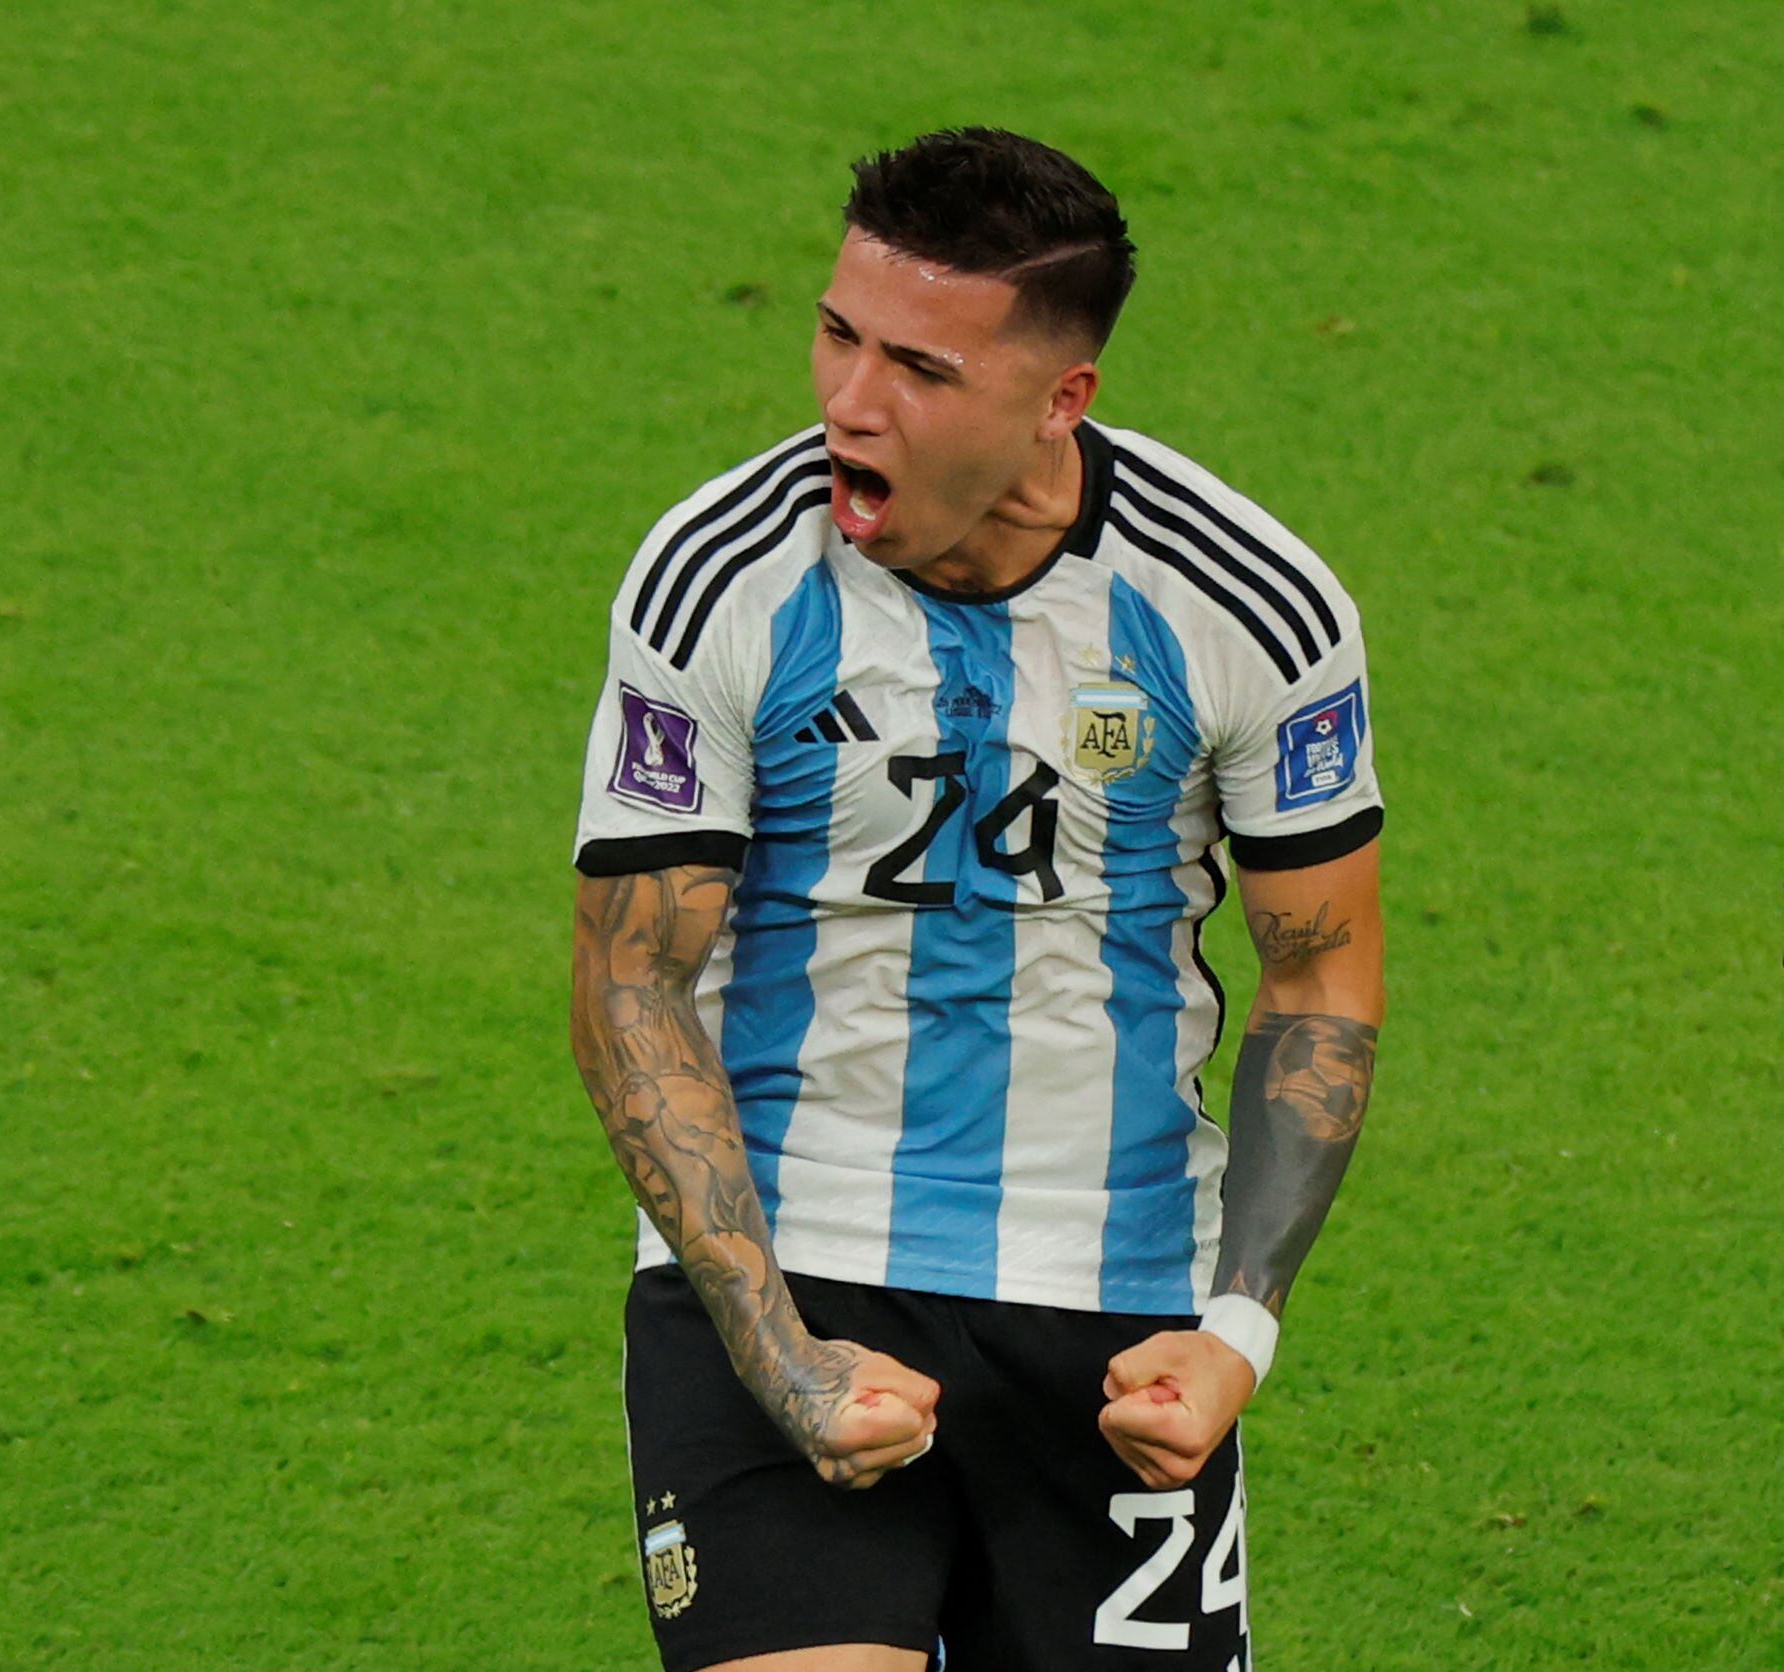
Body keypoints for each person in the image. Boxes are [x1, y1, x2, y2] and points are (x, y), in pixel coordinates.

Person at [567, 127, 1385, 1672]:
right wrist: (782, 1355)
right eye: (837, 333)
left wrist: (1235, 1334)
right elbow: (632, 988)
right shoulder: (721, 579)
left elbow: (1320, 985)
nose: (847, 403)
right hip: (784, 1268)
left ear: (1059, 399)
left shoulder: (1243, 608)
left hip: (1115, 1313)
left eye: (923, 372)